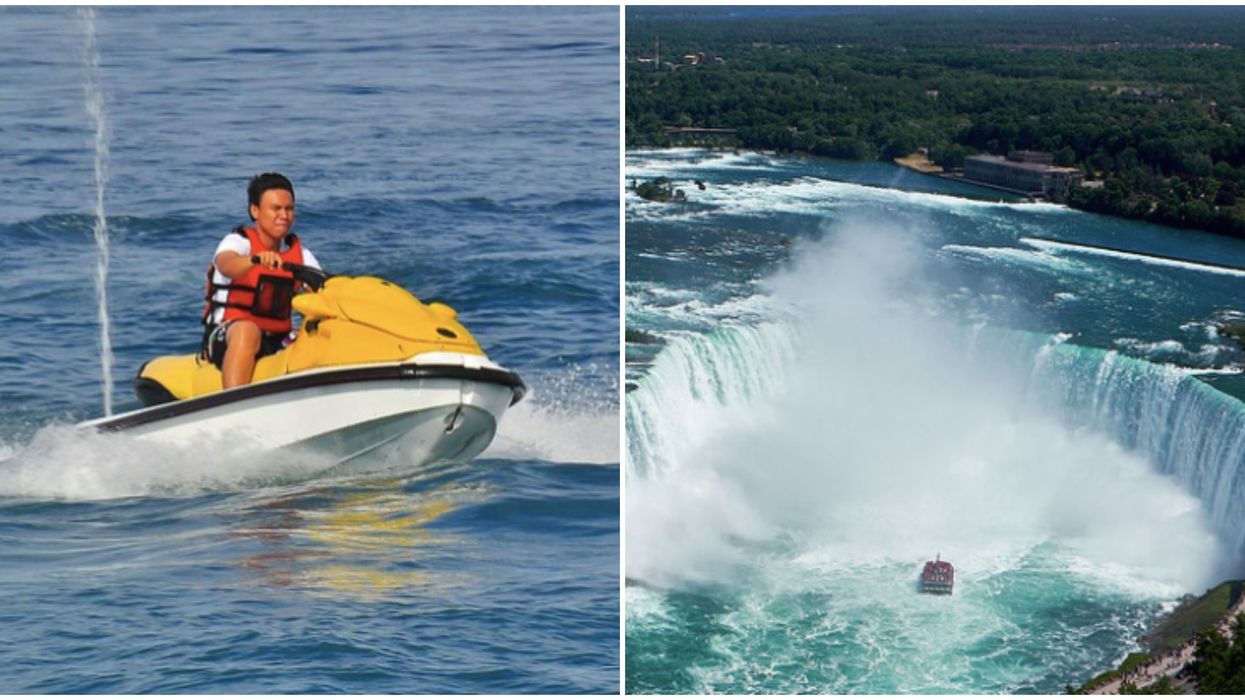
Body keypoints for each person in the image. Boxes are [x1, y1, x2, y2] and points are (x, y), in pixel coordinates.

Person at [200, 172, 321, 388]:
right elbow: (226, 264)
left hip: (278, 338)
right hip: (227, 336)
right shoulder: (238, 243)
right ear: (255, 211)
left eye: (289, 209)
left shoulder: (301, 255)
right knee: (248, 331)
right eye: (276, 209)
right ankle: (232, 405)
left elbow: (323, 293)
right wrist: (255, 260)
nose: (284, 215)